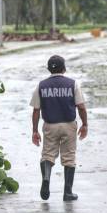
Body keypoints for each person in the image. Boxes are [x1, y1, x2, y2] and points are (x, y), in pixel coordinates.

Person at [30, 55, 88, 201]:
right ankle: (67, 192)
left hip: (50, 125)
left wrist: (35, 131)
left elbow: (36, 110)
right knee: (69, 157)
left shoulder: (41, 86)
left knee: (47, 155)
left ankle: (46, 178)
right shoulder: (73, 84)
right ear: (64, 68)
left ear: (49, 69)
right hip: (69, 125)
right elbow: (81, 106)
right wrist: (85, 124)